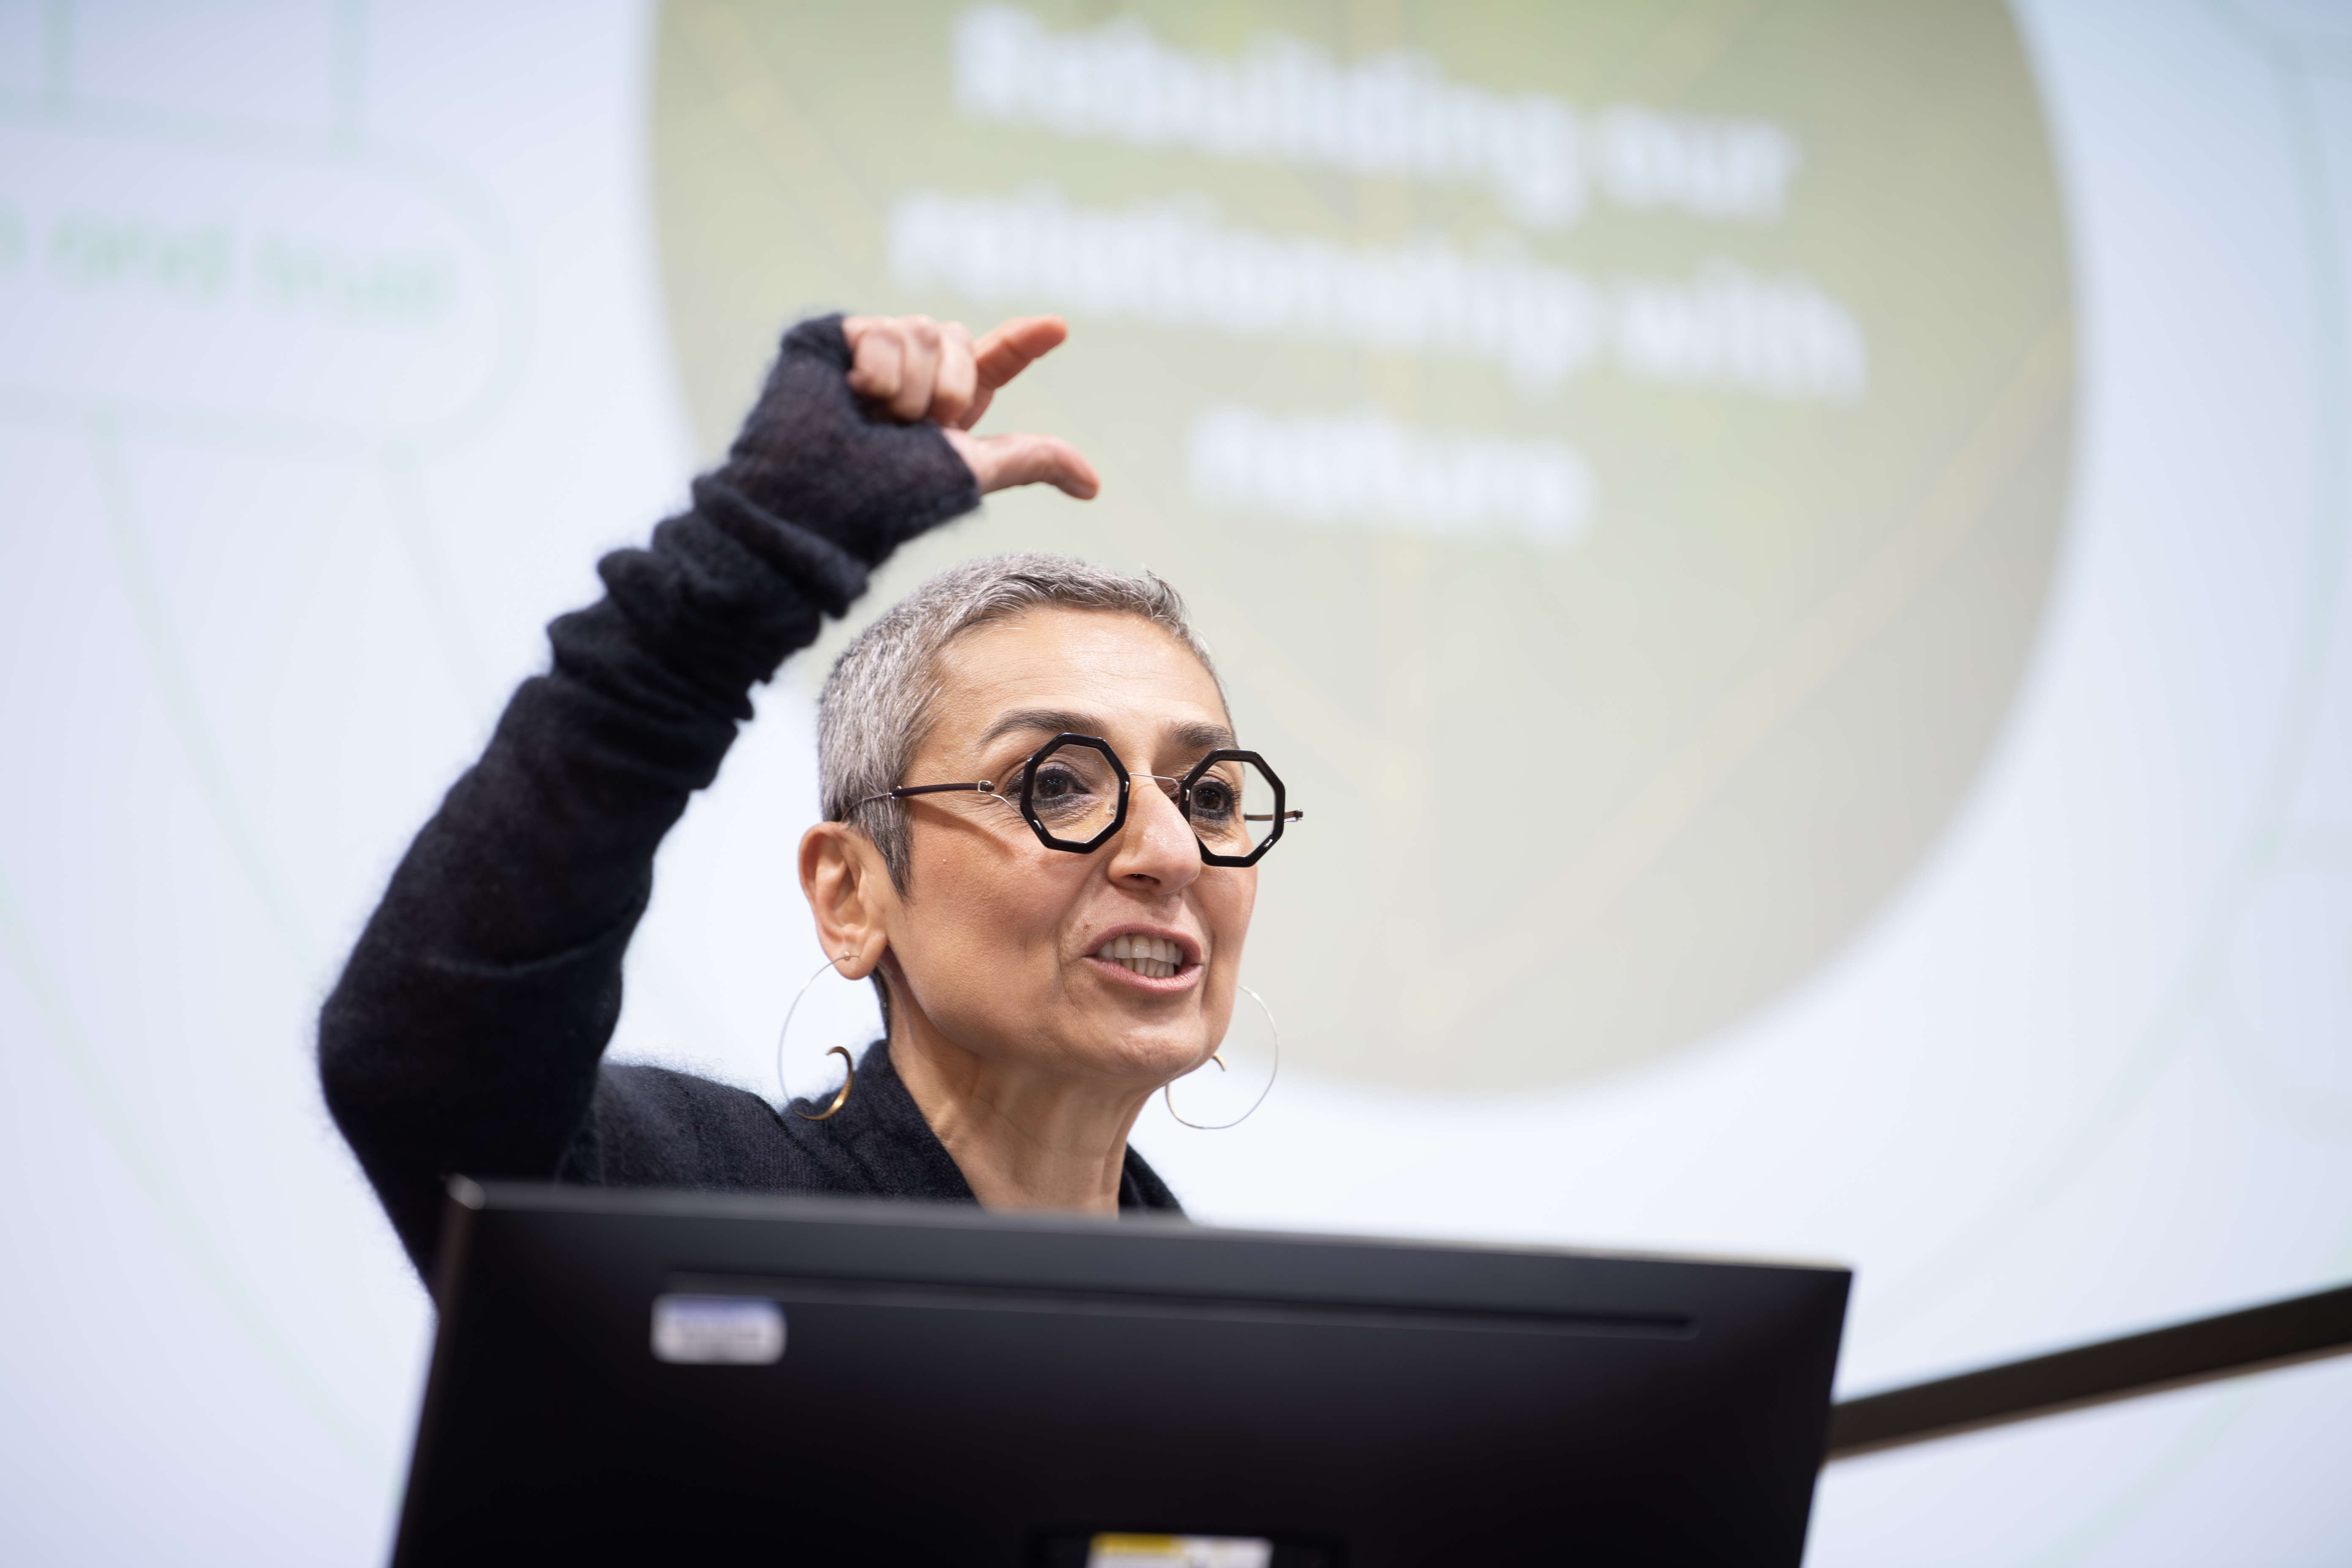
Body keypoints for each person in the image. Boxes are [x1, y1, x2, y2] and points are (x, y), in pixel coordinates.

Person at [318, 312, 1297, 1282]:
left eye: (1209, 796)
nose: (1171, 851)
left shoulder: (1269, 1359)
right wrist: (753, 551)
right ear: (850, 895)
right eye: (1057, 784)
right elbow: (425, 1066)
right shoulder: (696, 1216)